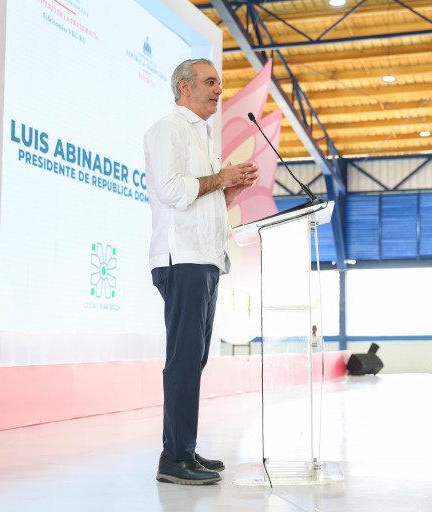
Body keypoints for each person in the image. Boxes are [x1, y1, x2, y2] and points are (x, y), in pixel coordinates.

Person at [145, 58, 258, 485]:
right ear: (184, 88)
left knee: (195, 359)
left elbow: (204, 201)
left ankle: (183, 450)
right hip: (182, 258)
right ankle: (174, 458)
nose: (218, 90)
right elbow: (173, 191)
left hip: (206, 258)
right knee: (184, 360)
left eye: (219, 83)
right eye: (210, 82)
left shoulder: (204, 136)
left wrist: (230, 189)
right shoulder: (167, 130)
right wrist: (221, 177)